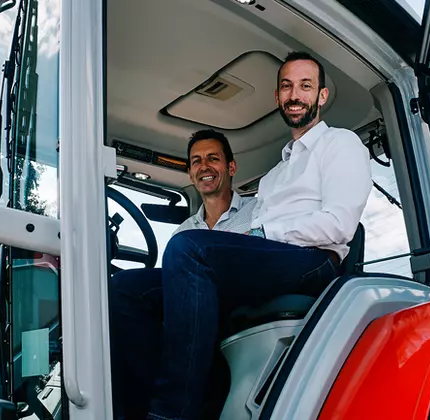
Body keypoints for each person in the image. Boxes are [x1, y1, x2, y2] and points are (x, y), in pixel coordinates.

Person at [144, 51, 373, 420]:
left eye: (305, 86)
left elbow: (339, 224)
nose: (294, 94)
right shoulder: (273, 176)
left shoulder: (340, 144)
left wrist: (265, 232)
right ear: (277, 98)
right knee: (128, 291)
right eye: (286, 87)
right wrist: (256, 239)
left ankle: (172, 413)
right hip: (272, 262)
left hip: (314, 262)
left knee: (188, 250)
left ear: (322, 96)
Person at [109, 129, 256, 420]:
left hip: (239, 313)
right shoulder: (184, 232)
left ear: (231, 167)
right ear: (190, 174)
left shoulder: (259, 211)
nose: (204, 166)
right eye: (196, 161)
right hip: (193, 325)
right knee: (124, 289)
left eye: (213, 158)